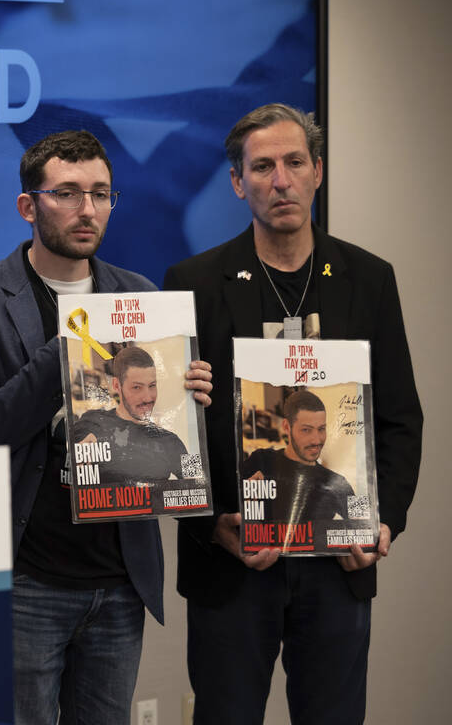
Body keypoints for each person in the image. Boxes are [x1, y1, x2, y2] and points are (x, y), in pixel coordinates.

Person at [0, 130, 212, 724]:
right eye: (66, 193)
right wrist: (62, 352)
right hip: (25, 579)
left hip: (119, 581)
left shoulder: (140, 296)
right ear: (28, 206)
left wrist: (187, 398)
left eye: (101, 193)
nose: (87, 209)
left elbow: (167, 446)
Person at [163, 103, 422, 725]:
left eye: (294, 162)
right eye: (262, 167)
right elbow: (172, 428)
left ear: (317, 172)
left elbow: (400, 418)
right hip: (233, 563)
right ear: (237, 182)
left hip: (339, 564)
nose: (279, 180)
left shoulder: (369, 279)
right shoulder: (192, 283)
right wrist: (208, 525)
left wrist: (383, 524)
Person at [71, 345, 191, 485]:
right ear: (117, 385)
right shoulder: (91, 421)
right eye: (136, 387)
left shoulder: (172, 441)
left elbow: (200, 484)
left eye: (152, 386)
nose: (147, 398)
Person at [242, 389, 354, 523]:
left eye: (321, 429)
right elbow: (227, 506)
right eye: (306, 430)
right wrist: (244, 497)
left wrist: (378, 526)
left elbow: (365, 521)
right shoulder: (260, 460)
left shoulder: (338, 482)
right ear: (287, 427)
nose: (316, 440)